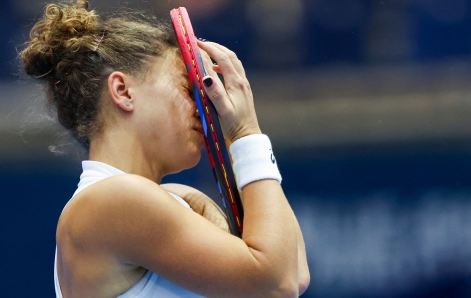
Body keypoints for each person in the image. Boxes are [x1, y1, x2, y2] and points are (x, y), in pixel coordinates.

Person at [21, 1, 310, 297]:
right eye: (189, 89)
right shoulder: (114, 200)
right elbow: (278, 282)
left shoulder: (161, 201)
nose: (205, 108)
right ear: (122, 91)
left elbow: (295, 272)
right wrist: (244, 132)